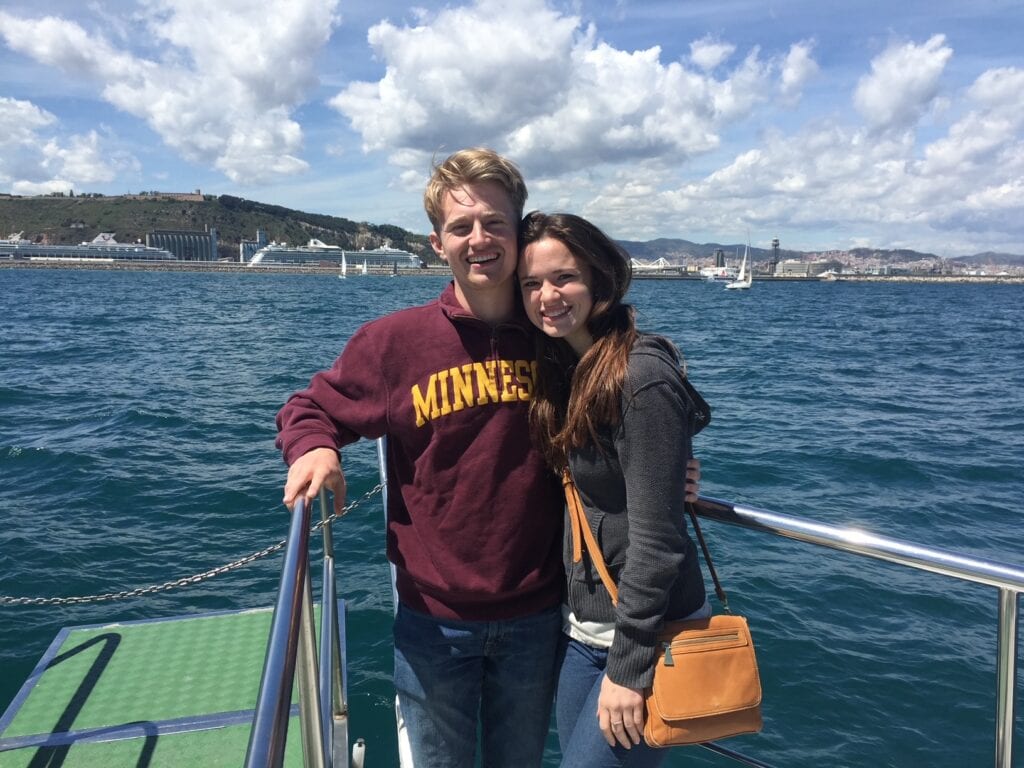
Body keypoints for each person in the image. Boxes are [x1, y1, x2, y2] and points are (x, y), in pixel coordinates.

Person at [275, 148, 565, 767]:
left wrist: (667, 467)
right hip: (434, 620)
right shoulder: (394, 343)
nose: (479, 239)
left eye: (495, 223)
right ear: (438, 242)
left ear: (520, 231)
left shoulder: (557, 336)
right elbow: (309, 406)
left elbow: (620, 403)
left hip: (538, 611)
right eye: (461, 227)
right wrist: (315, 448)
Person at [517, 211, 710, 768]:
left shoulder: (640, 376)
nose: (547, 295)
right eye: (532, 284)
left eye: (563, 278)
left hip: (643, 637)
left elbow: (658, 541)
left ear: (600, 278)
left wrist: (630, 668)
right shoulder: (569, 370)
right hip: (584, 631)